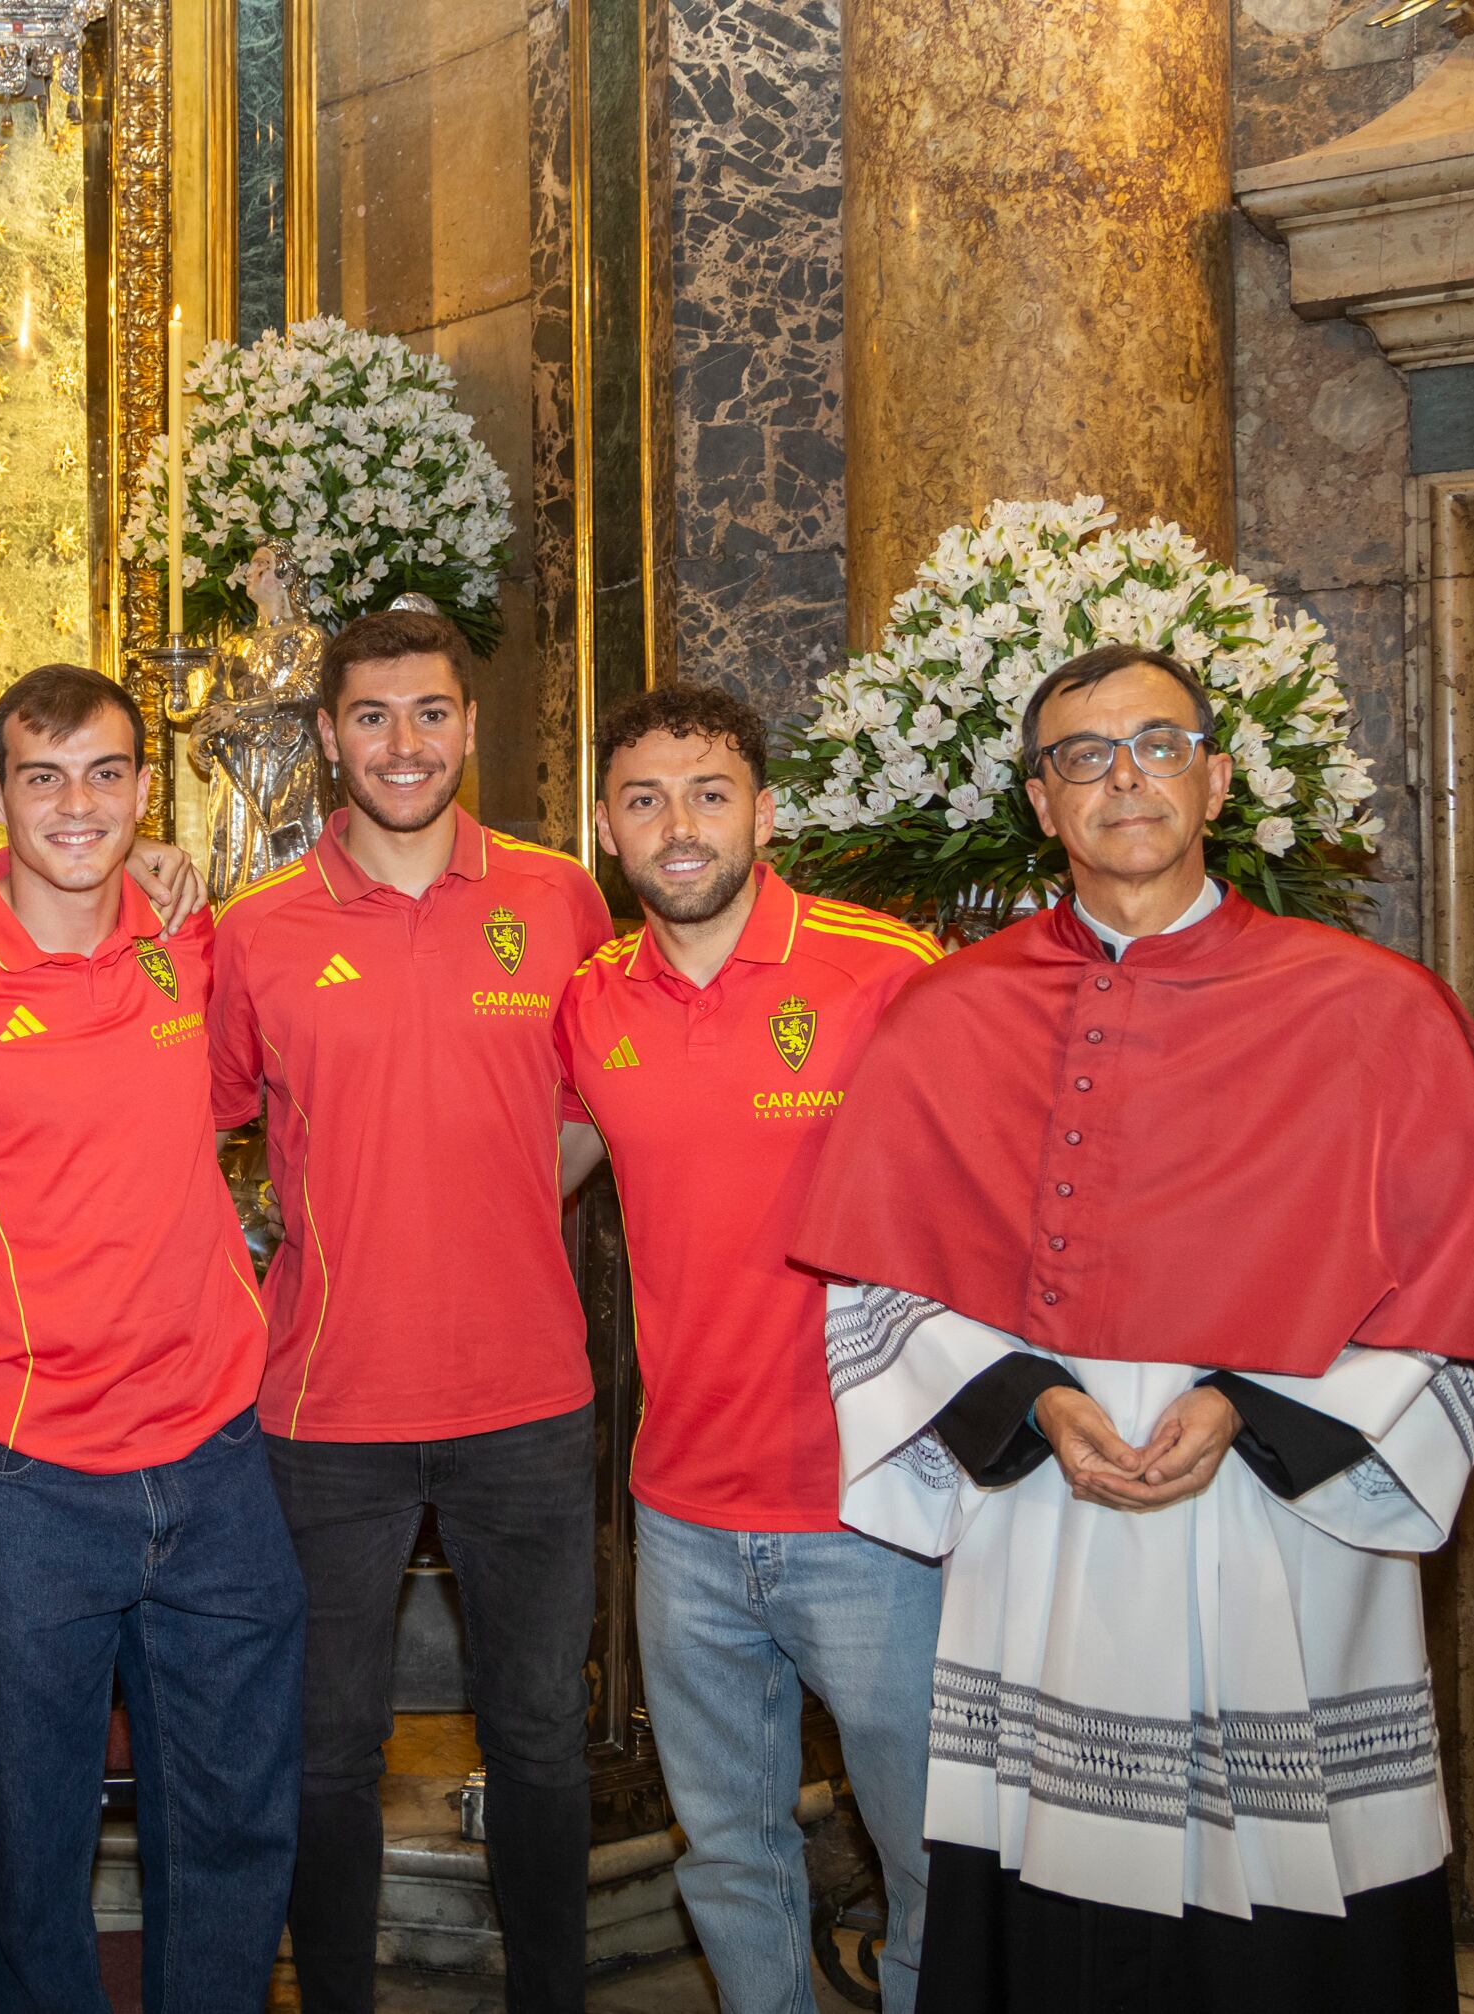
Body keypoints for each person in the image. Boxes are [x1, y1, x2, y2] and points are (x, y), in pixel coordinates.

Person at [795, 642, 1474, 2012]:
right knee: (1048, 1891)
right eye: (1082, 756)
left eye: (1157, 744)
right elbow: (876, 1286)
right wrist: (1037, 1401)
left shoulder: (1374, 1008)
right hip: (1045, 1509)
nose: (1124, 778)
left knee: (1281, 1915)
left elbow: (1458, 1293)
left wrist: (1243, 1407)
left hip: (1278, 1519)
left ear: (1214, 778)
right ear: (1040, 802)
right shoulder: (946, 1013)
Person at [0, 664, 301, 2014]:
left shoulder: (190, 937)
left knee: (234, 1830)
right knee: (30, 1850)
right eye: (43, 777)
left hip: (215, 1458)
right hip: (26, 1479)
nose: (76, 805)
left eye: (105, 774)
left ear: (141, 790)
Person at [208, 607, 613, 2014]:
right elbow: (196, 1131)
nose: (402, 743)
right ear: (328, 735)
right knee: (326, 1750)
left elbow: (595, 1104)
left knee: (540, 1738)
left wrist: (486, 1203)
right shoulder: (257, 927)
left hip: (527, 1398)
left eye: (429, 712)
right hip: (327, 1407)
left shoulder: (560, 900)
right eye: (371, 716)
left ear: (468, 725)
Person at [557, 684, 942, 2013]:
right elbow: (515, 1181)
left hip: (871, 1510)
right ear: (605, 826)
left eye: (708, 793)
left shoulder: (886, 968)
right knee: (727, 1854)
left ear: (763, 813)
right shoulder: (589, 1001)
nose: (678, 825)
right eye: (644, 798)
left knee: (928, 1854)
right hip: (679, 1514)